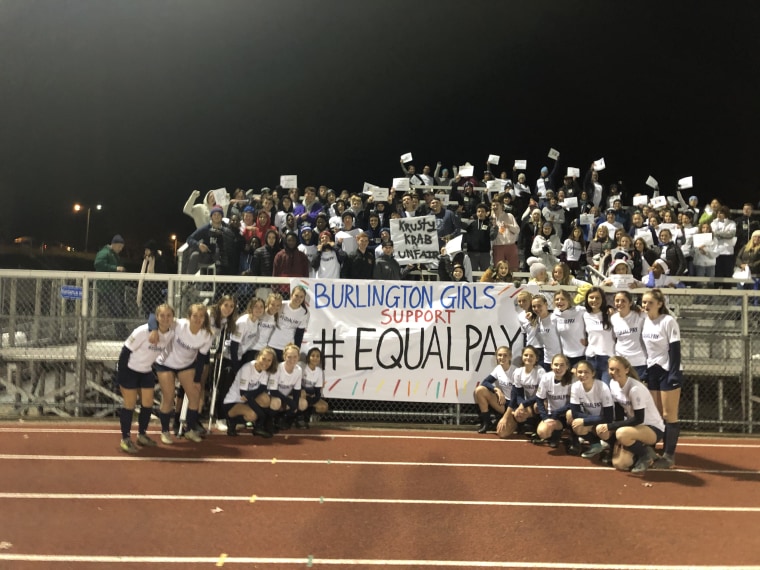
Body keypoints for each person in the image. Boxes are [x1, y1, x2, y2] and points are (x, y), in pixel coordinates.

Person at [116, 304, 175, 453]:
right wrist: (121, 376)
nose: (165, 318)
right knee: (129, 404)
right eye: (162, 315)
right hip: (129, 370)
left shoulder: (171, 333)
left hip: (146, 371)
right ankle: (125, 438)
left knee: (147, 404)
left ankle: (142, 434)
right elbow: (125, 352)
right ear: (156, 317)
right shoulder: (142, 331)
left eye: (169, 315)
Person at [153, 303, 214, 444]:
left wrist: (197, 380)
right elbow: (153, 318)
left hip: (186, 365)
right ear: (189, 317)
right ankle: (165, 431)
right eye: (195, 316)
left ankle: (190, 430)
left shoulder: (207, 335)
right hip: (166, 363)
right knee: (168, 397)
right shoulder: (179, 325)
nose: (198, 319)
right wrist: (153, 330)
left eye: (201, 316)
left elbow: (201, 359)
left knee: (194, 395)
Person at [597, 356, 665, 474]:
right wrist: (613, 430)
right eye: (611, 369)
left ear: (627, 370)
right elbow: (618, 412)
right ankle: (645, 451)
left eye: (618, 369)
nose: (614, 373)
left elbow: (639, 419)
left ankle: (645, 456)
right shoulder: (613, 384)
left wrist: (612, 427)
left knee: (621, 433)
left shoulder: (635, 389)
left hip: (652, 428)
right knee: (620, 463)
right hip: (634, 428)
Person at [640, 289, 682, 469]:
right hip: (653, 370)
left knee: (668, 414)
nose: (646, 305)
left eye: (650, 302)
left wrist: (673, 373)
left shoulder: (668, 321)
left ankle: (669, 455)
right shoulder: (645, 321)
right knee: (655, 414)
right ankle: (651, 450)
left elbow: (675, 349)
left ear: (660, 304)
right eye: (644, 302)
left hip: (668, 370)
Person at [223, 347, 278, 437]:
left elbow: (262, 388)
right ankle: (231, 421)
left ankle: (258, 427)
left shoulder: (265, 371)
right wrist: (261, 414)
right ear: (258, 357)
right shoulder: (247, 368)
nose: (266, 363)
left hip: (247, 399)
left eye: (269, 360)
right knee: (253, 415)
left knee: (265, 398)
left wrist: (249, 395)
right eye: (263, 359)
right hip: (233, 402)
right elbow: (243, 393)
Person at [568, 360, 614, 459]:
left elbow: (609, 417)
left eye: (586, 372)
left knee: (602, 431)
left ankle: (609, 445)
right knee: (571, 417)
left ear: (593, 373)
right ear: (576, 373)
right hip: (595, 418)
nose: (582, 375)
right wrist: (590, 420)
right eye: (580, 372)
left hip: (605, 421)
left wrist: (587, 420)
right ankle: (596, 444)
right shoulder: (575, 387)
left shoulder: (602, 387)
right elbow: (575, 413)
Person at [496, 345, 545, 438]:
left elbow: (541, 395)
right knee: (502, 433)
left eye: (531, 356)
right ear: (522, 357)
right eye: (526, 355)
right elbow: (516, 395)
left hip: (539, 402)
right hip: (525, 403)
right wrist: (507, 416)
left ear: (536, 358)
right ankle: (521, 425)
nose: (528, 358)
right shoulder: (518, 372)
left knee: (537, 406)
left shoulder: (540, 372)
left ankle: (538, 426)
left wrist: (523, 405)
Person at [533, 354, 574, 448]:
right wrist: (545, 418)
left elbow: (574, 403)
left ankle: (573, 437)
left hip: (565, 413)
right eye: (556, 365)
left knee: (570, 413)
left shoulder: (573, 379)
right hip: (552, 414)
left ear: (567, 366)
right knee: (542, 432)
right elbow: (539, 399)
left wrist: (558, 412)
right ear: (551, 365)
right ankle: (556, 433)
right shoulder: (546, 377)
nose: (558, 368)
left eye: (562, 365)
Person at [473, 346, 515, 434]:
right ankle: (486, 422)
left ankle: (517, 424)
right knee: (479, 390)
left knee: (502, 433)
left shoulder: (516, 371)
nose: (502, 358)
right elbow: (485, 382)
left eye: (505, 355)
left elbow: (517, 395)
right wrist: (496, 390)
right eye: (499, 355)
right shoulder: (498, 369)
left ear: (510, 357)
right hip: (503, 402)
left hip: (514, 405)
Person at [94, 234, 128, 338]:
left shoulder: (112, 254)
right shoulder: (105, 253)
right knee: (117, 310)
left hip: (114, 287)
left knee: (120, 310)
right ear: (114, 244)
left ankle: (122, 332)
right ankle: (121, 333)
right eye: (120, 247)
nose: (121, 249)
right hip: (109, 288)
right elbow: (98, 264)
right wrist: (115, 268)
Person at [267, 343, 306, 430]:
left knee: (302, 403)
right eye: (289, 357)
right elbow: (273, 391)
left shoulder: (298, 370)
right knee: (276, 402)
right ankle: (269, 420)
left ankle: (285, 418)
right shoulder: (277, 368)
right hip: (274, 397)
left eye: (295, 357)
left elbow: (297, 390)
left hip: (285, 398)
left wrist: (294, 405)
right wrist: (289, 401)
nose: (292, 359)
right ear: (284, 357)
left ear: (298, 357)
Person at [610, 291, 647, 378]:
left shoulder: (640, 315)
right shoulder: (613, 318)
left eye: (623, 301)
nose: (620, 303)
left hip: (639, 361)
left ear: (630, 303)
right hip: (621, 362)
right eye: (617, 301)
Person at [583, 287, 615, 385]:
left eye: (597, 298)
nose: (594, 300)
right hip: (591, 357)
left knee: (606, 389)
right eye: (591, 297)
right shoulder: (584, 314)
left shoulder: (610, 313)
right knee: (592, 389)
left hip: (607, 358)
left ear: (603, 299)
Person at [268, 285, 309, 361]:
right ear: (291, 295)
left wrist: (296, 350)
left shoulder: (304, 313)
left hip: (287, 347)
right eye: (296, 295)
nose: (298, 299)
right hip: (272, 343)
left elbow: (299, 334)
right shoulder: (282, 305)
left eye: (301, 297)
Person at [552, 289, 586, 368]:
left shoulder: (579, 311)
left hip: (581, 354)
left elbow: (594, 315)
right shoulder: (555, 315)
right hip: (565, 356)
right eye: (557, 299)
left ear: (568, 300)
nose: (559, 301)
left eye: (562, 299)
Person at [230, 297, 265, 374]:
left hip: (241, 356)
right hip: (232, 359)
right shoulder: (243, 322)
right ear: (250, 307)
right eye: (256, 306)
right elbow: (233, 346)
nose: (259, 309)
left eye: (261, 306)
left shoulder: (256, 321)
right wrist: (236, 367)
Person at [298, 347, 330, 428]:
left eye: (317, 356)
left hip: (310, 395)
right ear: (308, 357)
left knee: (323, 407)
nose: (315, 358)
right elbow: (297, 384)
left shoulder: (319, 371)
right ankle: (299, 418)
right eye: (312, 356)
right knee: (302, 394)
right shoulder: (302, 367)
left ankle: (306, 417)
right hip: (300, 394)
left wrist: (313, 399)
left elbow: (317, 391)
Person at [136, 239, 168, 318]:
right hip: (147, 292)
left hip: (156, 292)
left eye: (147, 250)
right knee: (147, 313)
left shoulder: (160, 260)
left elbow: (162, 275)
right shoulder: (146, 261)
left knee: (156, 312)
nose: (145, 252)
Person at [490, 196, 520, 270]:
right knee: (499, 269)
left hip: (510, 246)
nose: (495, 207)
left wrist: (508, 226)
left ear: (501, 206)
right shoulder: (490, 218)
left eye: (497, 205)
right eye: (493, 205)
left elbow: (517, 230)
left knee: (513, 269)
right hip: (497, 246)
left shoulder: (509, 216)